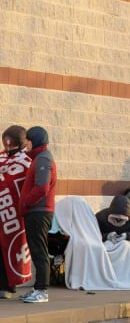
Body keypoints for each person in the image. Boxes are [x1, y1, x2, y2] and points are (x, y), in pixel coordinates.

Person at [19, 126, 57, 303]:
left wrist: (25, 202)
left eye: (28, 139)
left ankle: (42, 291)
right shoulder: (39, 158)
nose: (25, 143)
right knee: (36, 250)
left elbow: (42, 188)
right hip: (36, 212)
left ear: (35, 140)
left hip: (38, 212)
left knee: (39, 251)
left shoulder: (43, 158)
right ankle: (38, 288)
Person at [0, 125, 31, 299]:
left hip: (14, 216)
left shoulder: (26, 161)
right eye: (5, 143)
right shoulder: (1, 158)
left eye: (10, 143)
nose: (7, 147)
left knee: (11, 251)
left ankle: (9, 287)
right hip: (2, 214)